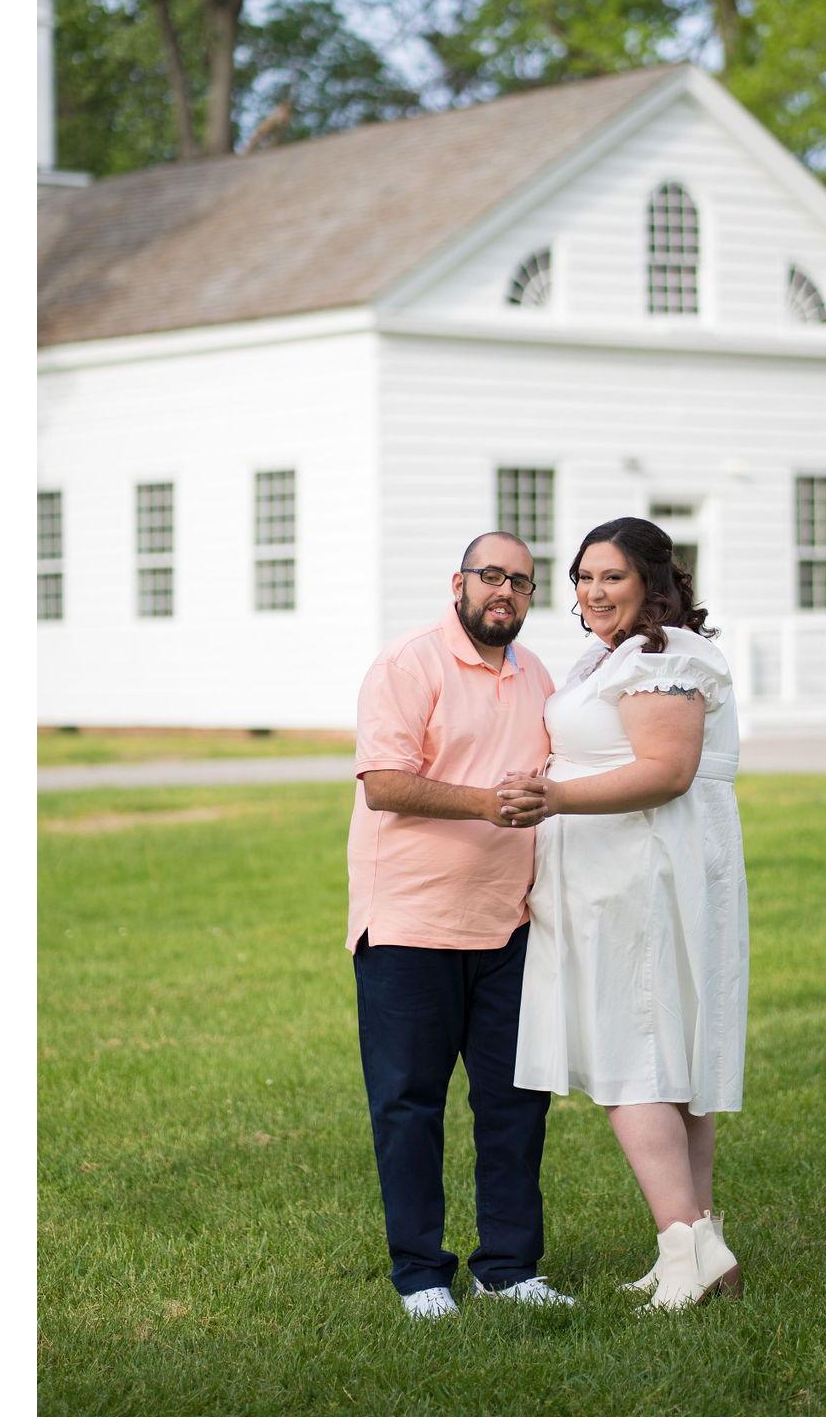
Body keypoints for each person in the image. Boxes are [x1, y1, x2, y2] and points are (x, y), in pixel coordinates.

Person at [499, 517, 748, 1311]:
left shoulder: (665, 657)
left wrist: (557, 795)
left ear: (652, 581)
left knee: (633, 1055)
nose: (593, 592)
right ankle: (700, 1245)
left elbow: (668, 770)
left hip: (642, 876)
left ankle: (685, 1250)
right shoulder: (614, 657)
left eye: (611, 577)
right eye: (582, 578)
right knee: (663, 1056)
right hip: (609, 876)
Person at [346, 532, 575, 1320]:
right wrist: (486, 802)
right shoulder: (410, 664)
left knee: (515, 1102)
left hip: (507, 924)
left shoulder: (537, 674)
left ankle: (510, 1269)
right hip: (410, 922)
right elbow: (383, 783)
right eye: (491, 576)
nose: (504, 591)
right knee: (410, 1104)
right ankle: (421, 1275)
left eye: (521, 580)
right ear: (460, 582)